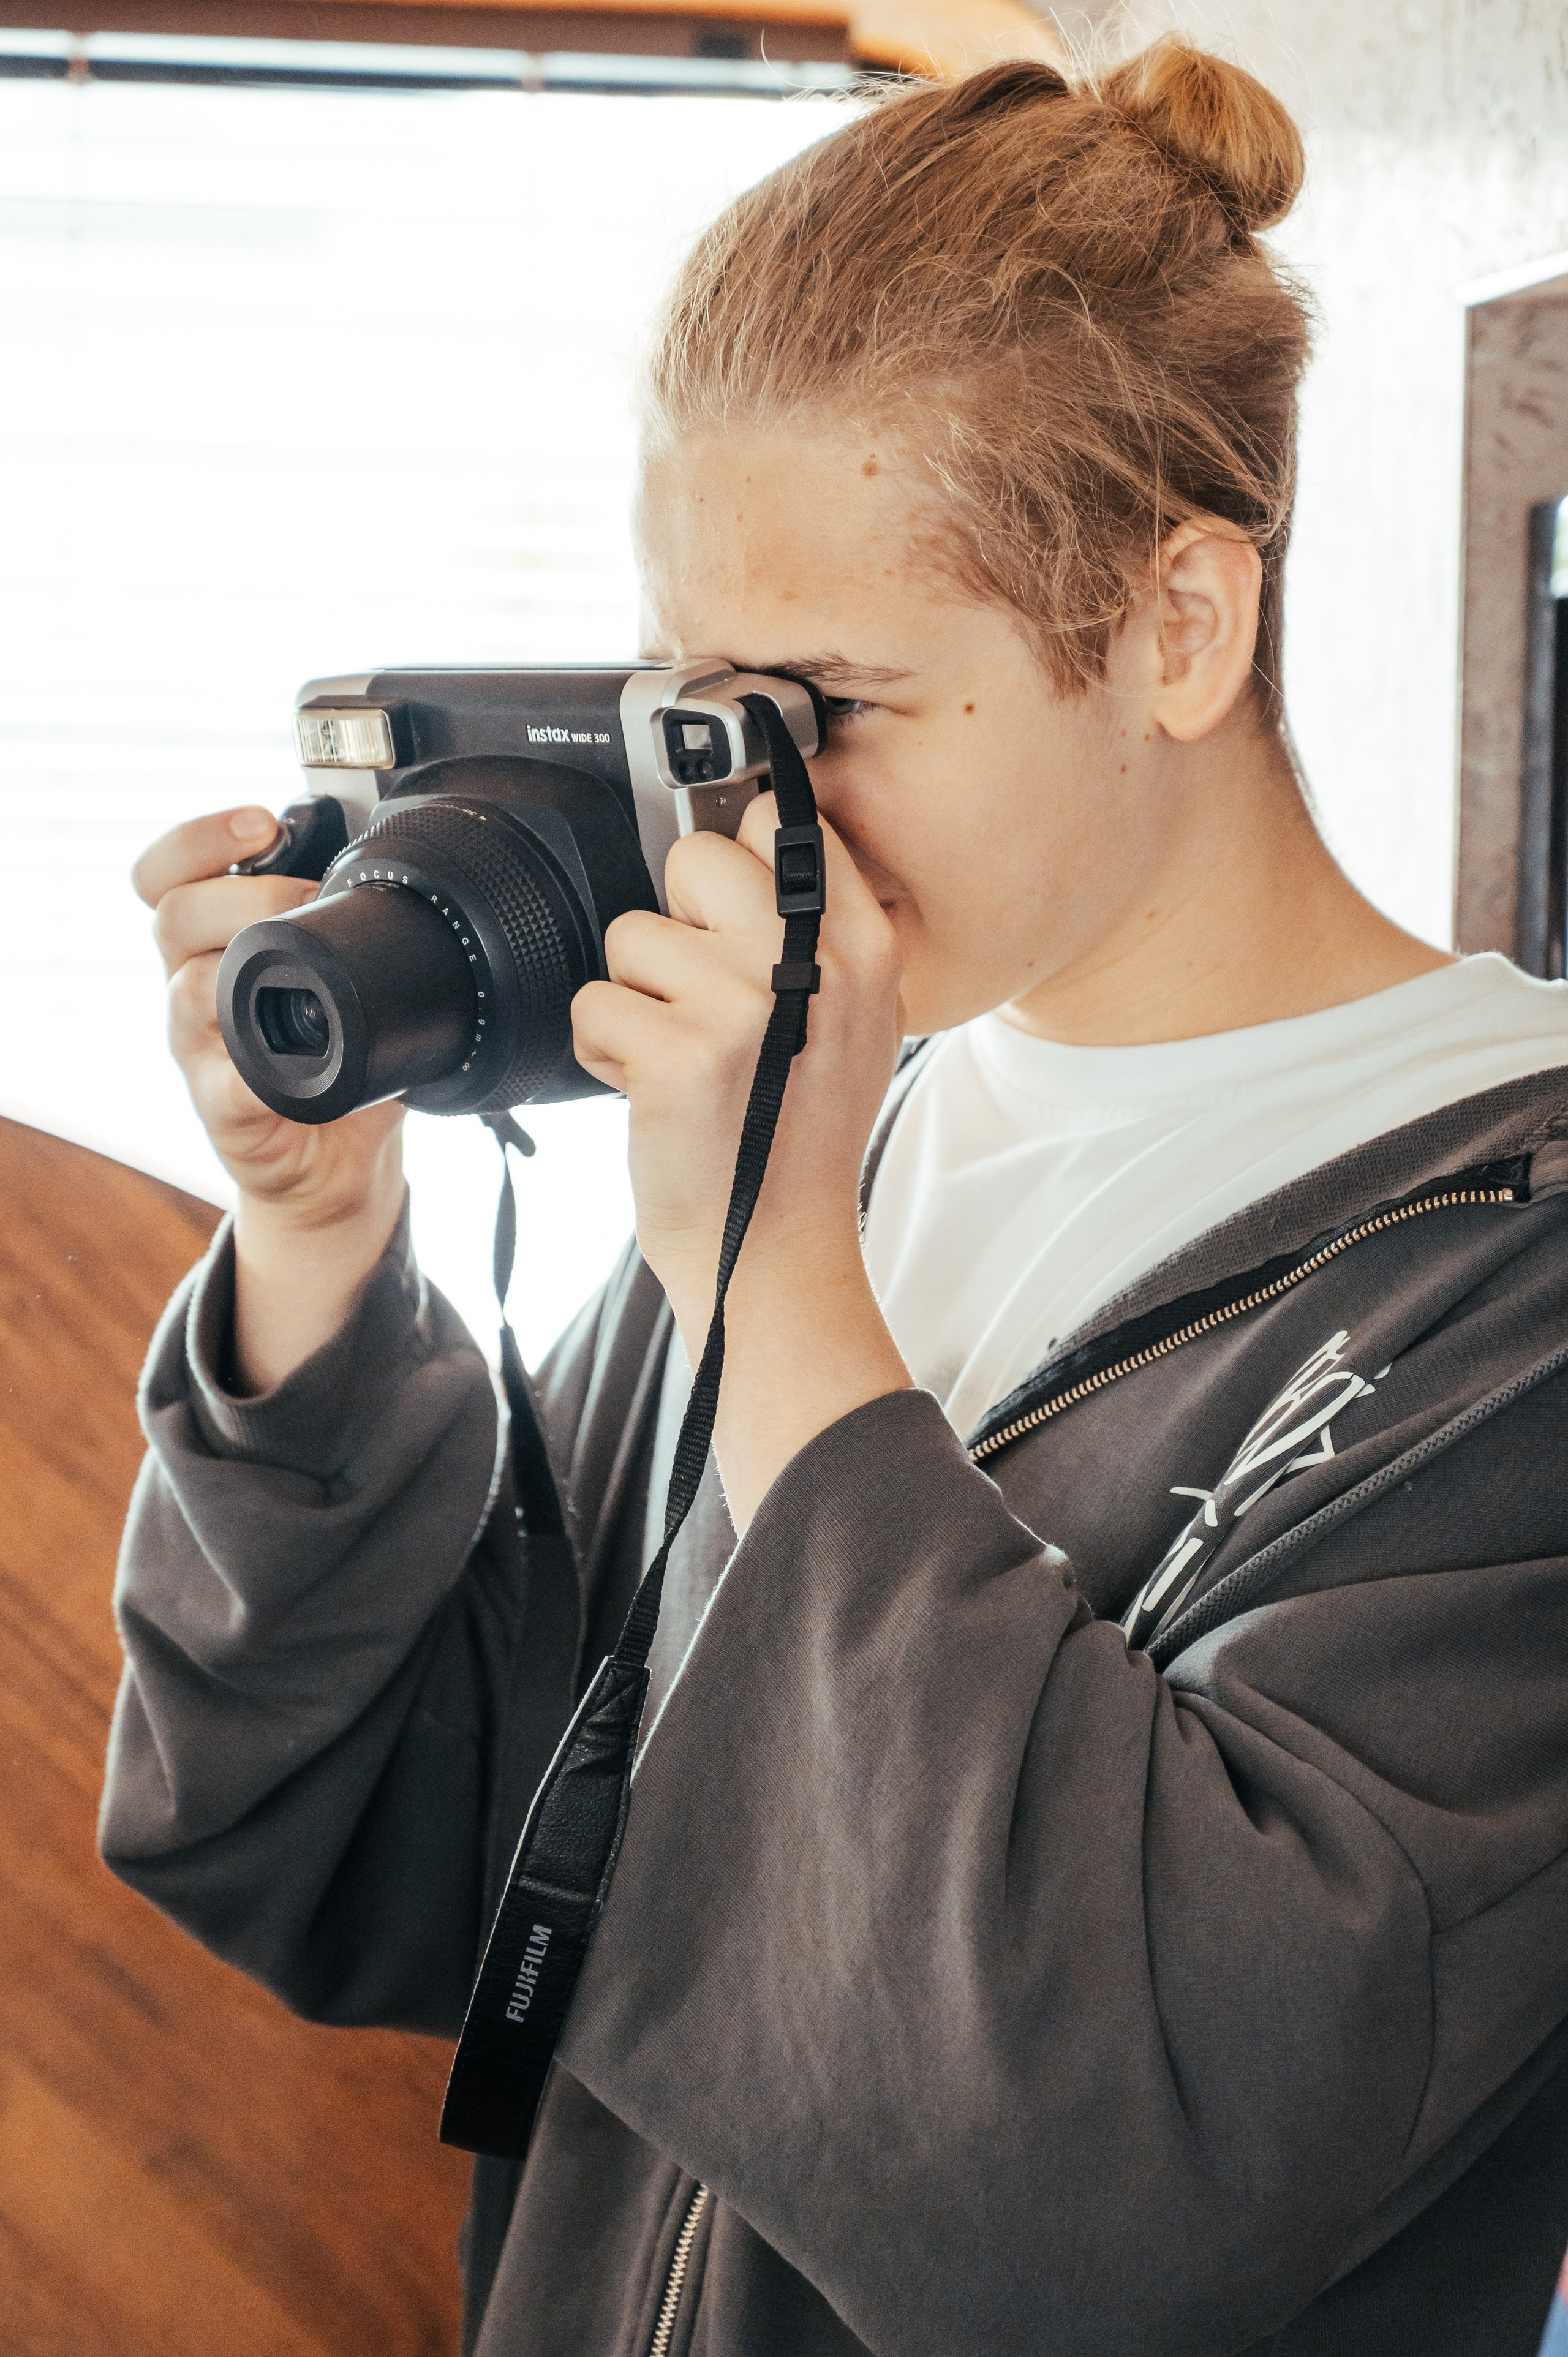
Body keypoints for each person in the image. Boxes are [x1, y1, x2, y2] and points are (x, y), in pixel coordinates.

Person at [109, 39, 1568, 2357]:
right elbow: (353, 1859)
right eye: (700, 713)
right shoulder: (846, 1116)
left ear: (1179, 626)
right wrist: (315, 1239)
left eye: (832, 713)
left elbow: (1112, 2198)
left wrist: (772, 1287)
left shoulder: (1513, 1277)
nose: (746, 827)